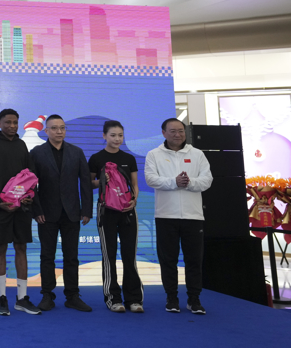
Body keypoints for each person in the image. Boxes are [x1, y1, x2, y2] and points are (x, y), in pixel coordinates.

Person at [145, 118, 213, 315]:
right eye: (173, 131)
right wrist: (174, 182)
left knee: (194, 260)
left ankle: (194, 300)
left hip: (193, 216)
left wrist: (189, 183)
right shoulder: (154, 154)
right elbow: (151, 179)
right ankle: (172, 299)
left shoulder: (197, 154)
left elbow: (207, 180)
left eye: (181, 131)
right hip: (165, 215)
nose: (178, 134)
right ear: (164, 133)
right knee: (168, 260)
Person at [0, 108, 42, 316]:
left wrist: (29, 196)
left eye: (15, 122)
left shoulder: (21, 144)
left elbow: (30, 175)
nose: (12, 126)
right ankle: (2, 298)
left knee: (21, 247)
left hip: (21, 208)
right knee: (1, 248)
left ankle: (22, 298)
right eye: (7, 122)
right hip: (1, 207)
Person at [31, 114, 93, 313]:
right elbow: (30, 185)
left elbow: (85, 182)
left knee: (71, 256)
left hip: (72, 212)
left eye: (62, 128)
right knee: (47, 256)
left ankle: (72, 296)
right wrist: (36, 210)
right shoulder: (36, 153)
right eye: (54, 128)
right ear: (46, 131)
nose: (59, 131)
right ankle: (47, 295)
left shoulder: (77, 152)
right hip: (46, 213)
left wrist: (86, 210)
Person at [88, 120, 143, 314]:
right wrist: (100, 181)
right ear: (104, 136)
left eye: (120, 135)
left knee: (130, 255)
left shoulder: (129, 158)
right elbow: (89, 183)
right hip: (106, 211)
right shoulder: (96, 158)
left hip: (128, 210)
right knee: (109, 255)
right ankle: (113, 298)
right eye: (113, 135)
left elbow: (134, 185)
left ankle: (134, 299)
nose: (117, 139)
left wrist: (134, 200)